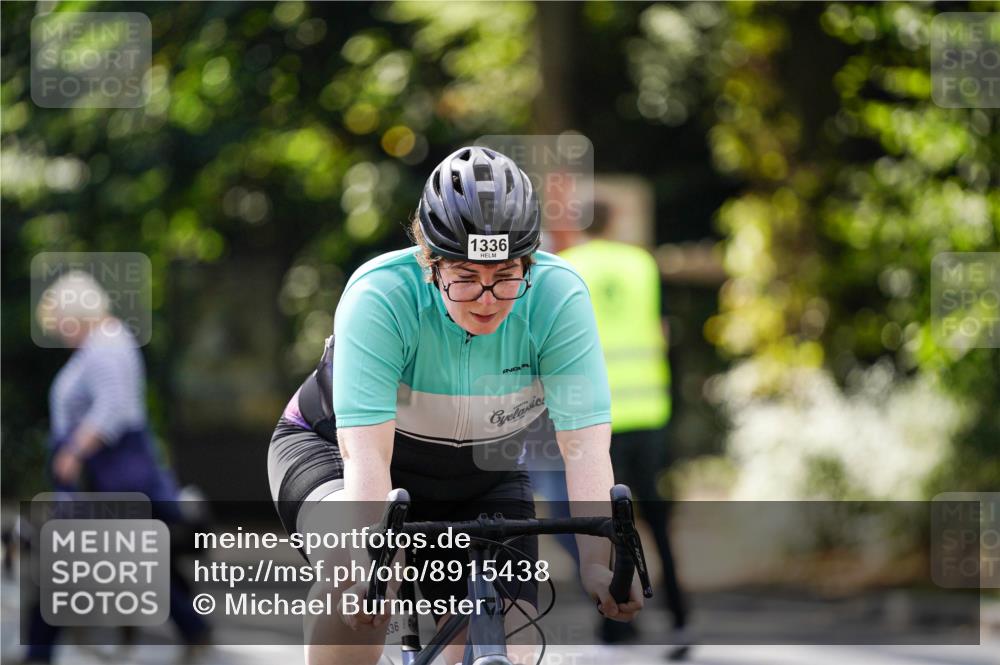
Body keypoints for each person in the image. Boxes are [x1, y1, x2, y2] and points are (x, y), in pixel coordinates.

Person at [267, 147, 644, 665]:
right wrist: (364, 560)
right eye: (465, 277)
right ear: (430, 263)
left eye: (506, 275)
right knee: (362, 571)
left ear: (529, 263)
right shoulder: (381, 295)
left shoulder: (559, 297)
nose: (486, 298)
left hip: (480, 473)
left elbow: (583, 449)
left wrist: (598, 564)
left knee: (513, 644)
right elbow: (367, 459)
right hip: (336, 454)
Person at [24, 271, 210, 664]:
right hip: (104, 477)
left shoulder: (106, 344)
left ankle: (39, 650)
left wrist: (73, 450)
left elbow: (115, 408)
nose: (57, 329)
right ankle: (193, 626)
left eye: (59, 319)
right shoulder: (102, 344)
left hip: (106, 476)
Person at [556, 200, 690, 658]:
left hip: (592, 415)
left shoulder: (567, 268)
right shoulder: (641, 264)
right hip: (648, 409)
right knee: (655, 519)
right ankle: (679, 617)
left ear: (580, 225)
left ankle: (615, 624)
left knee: (598, 517)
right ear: (615, 222)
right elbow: (664, 331)